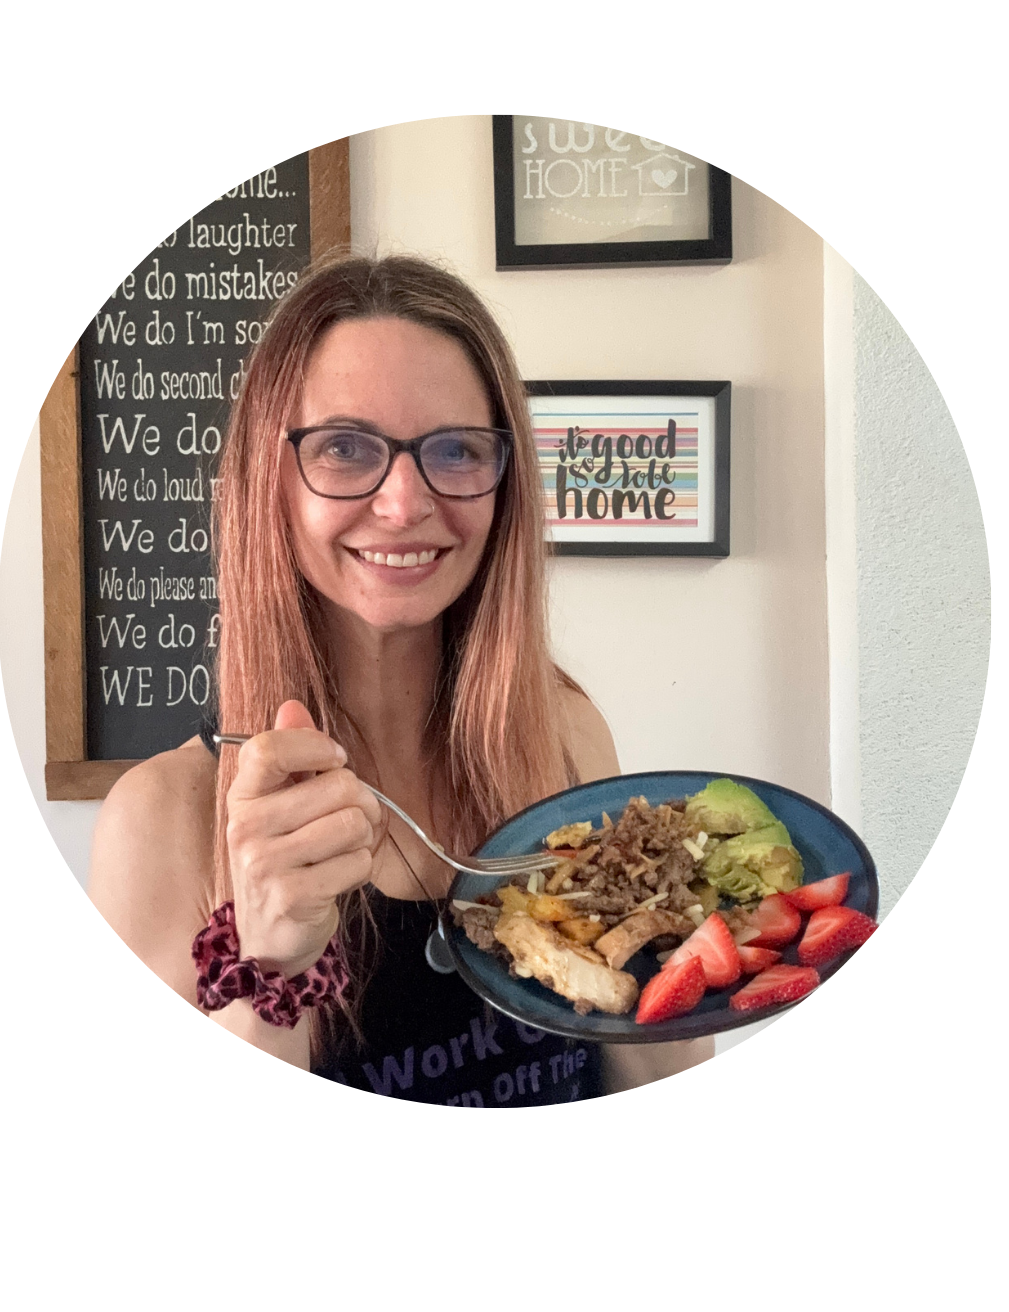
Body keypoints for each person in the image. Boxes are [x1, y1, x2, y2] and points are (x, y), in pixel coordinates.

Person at [88, 253, 713, 1105]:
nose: (404, 503)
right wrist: (273, 969)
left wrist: (688, 953)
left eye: (456, 449)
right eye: (346, 448)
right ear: (271, 481)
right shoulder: (161, 819)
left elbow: (644, 1070)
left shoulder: (566, 734)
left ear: (505, 487)